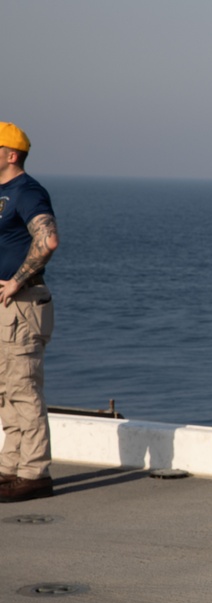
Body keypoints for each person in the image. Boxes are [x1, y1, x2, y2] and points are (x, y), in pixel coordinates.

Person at [0, 121, 59, 504]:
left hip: (22, 306)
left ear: (10, 154)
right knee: (7, 390)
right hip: (7, 307)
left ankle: (34, 473)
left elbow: (48, 239)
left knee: (23, 389)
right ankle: (10, 469)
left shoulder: (27, 191)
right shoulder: (5, 193)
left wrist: (16, 281)